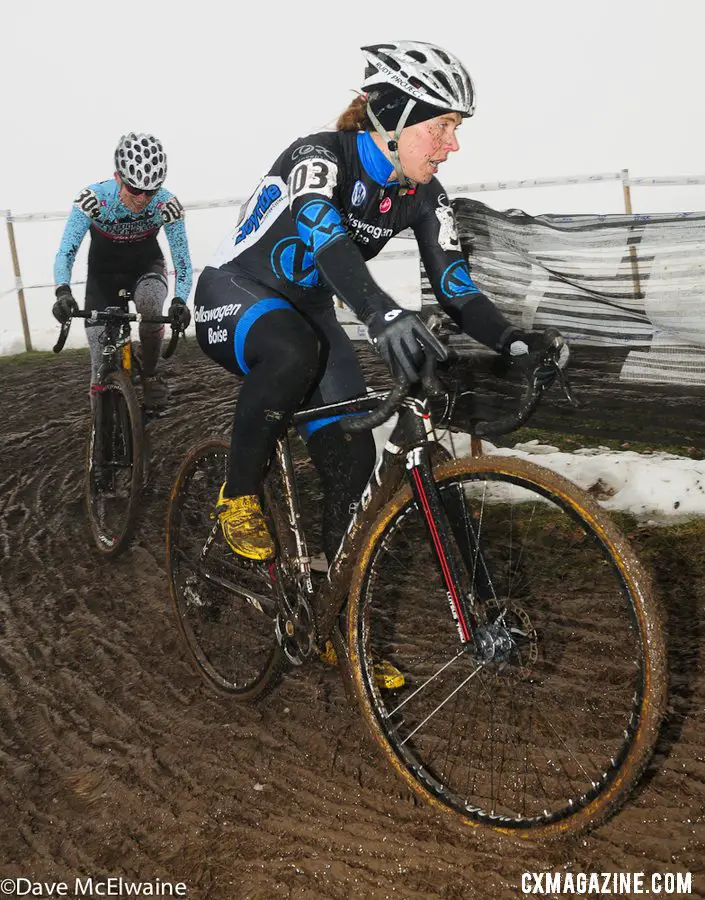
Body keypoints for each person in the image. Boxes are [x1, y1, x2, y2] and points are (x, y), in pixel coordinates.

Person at [195, 40, 567, 567]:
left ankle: (333, 622)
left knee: (355, 457)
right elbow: (325, 237)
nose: (451, 145)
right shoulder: (319, 155)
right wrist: (378, 311)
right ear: (391, 120)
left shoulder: (425, 196)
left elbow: (456, 287)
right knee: (291, 350)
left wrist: (514, 338)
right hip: (235, 291)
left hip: (311, 311)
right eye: (441, 126)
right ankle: (237, 493)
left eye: (456, 129)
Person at [53, 132, 193, 410]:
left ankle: (150, 373)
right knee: (99, 370)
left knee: (151, 306)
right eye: (135, 189)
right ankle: (101, 439)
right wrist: (62, 291)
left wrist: (179, 301)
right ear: (118, 177)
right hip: (103, 279)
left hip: (146, 269)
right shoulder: (93, 199)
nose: (142, 198)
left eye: (150, 191)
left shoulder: (167, 205)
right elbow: (66, 251)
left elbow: (183, 262)